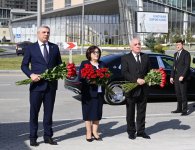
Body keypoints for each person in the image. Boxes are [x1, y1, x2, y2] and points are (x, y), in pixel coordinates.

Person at [21, 25, 62, 146]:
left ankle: (48, 136)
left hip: (51, 86)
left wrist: (60, 71)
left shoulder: (54, 47)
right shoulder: (31, 48)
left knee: (48, 113)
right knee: (34, 112)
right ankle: (33, 137)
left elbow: (59, 64)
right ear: (38, 33)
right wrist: (31, 74)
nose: (46, 34)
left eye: (48, 32)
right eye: (44, 32)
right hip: (36, 86)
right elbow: (24, 65)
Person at [121, 38, 150, 140]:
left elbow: (149, 71)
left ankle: (141, 131)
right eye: (135, 44)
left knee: (142, 112)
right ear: (131, 47)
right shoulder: (125, 58)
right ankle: (131, 131)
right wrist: (136, 80)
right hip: (131, 90)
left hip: (143, 90)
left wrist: (148, 79)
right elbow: (124, 73)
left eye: (139, 44)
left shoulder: (145, 57)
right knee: (130, 113)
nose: (138, 46)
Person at [78, 45, 105, 142]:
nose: (96, 54)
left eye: (98, 52)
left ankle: (95, 132)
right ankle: (88, 132)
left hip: (99, 92)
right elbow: (81, 77)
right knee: (88, 113)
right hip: (88, 93)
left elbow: (107, 76)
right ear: (89, 54)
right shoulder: (85, 63)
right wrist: (90, 80)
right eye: (94, 52)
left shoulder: (102, 64)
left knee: (97, 113)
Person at [170, 39, 191, 116]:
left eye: (179, 44)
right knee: (178, 94)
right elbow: (174, 66)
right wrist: (171, 76)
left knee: (183, 94)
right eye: (176, 45)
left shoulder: (186, 54)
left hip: (183, 78)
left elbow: (187, 66)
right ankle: (179, 109)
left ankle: (184, 110)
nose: (177, 46)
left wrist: (183, 75)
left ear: (182, 45)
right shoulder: (175, 54)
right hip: (176, 77)